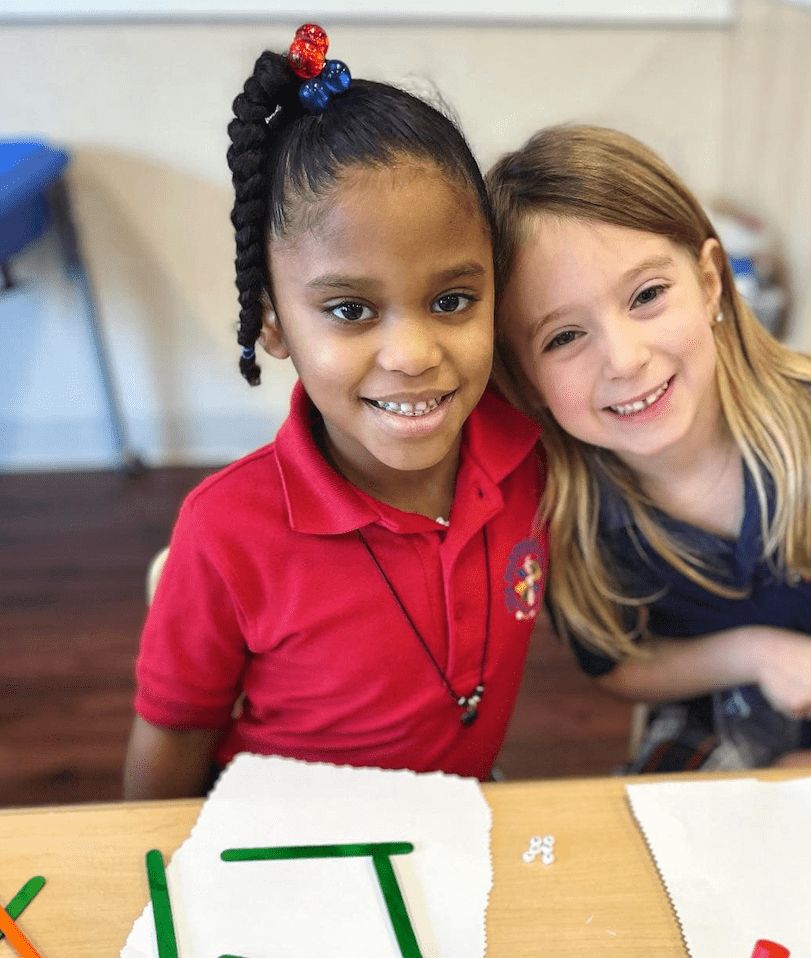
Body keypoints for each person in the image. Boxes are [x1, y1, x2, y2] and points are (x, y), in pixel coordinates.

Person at [123, 26, 546, 799]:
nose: (413, 354)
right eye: (351, 310)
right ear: (274, 323)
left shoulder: (530, 458)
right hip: (282, 844)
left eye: (453, 300)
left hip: (459, 820)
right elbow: (169, 751)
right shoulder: (225, 532)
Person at [486, 125, 811, 771]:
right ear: (524, 380)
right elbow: (617, 666)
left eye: (647, 296)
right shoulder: (566, 509)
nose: (624, 359)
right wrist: (753, 654)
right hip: (709, 722)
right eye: (564, 337)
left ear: (710, 282)